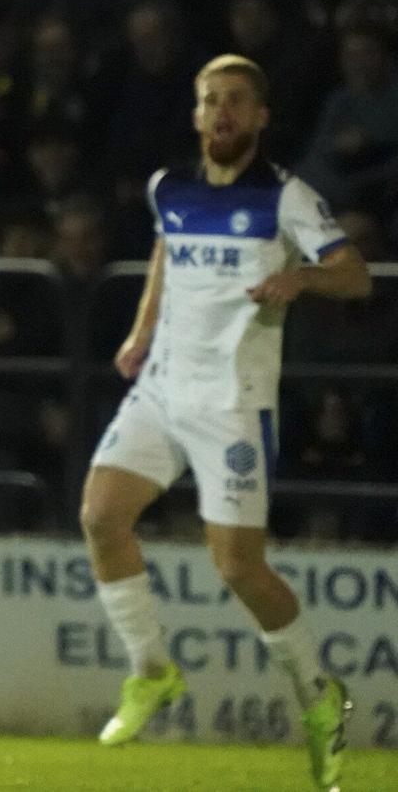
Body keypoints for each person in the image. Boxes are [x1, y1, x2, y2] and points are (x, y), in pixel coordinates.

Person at [80, 54, 369, 788]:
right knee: (101, 516)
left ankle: (320, 693)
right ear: (197, 115)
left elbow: (356, 272)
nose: (223, 112)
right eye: (212, 101)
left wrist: (301, 276)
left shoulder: (285, 195)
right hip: (162, 389)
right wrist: (141, 332)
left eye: (237, 100)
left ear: (261, 115)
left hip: (232, 405)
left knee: (238, 566)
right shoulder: (167, 187)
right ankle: (152, 671)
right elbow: (164, 251)